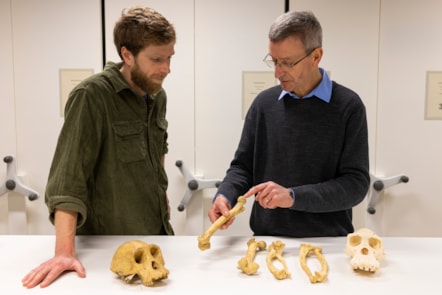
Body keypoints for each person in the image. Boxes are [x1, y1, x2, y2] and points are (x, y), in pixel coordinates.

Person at [22, 6, 176, 288]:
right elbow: (68, 181)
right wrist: (64, 253)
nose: (166, 69)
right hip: (108, 248)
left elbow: (158, 148)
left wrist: (159, 193)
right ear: (127, 54)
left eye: (169, 58)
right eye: (156, 59)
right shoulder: (92, 96)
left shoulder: (157, 95)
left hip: (157, 239)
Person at [208, 10, 370, 237]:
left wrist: (292, 197)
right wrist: (225, 194)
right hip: (267, 239)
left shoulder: (348, 106)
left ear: (316, 56)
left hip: (328, 243)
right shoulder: (264, 104)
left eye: (287, 63)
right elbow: (242, 167)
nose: (277, 72)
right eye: (274, 61)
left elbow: (356, 185)